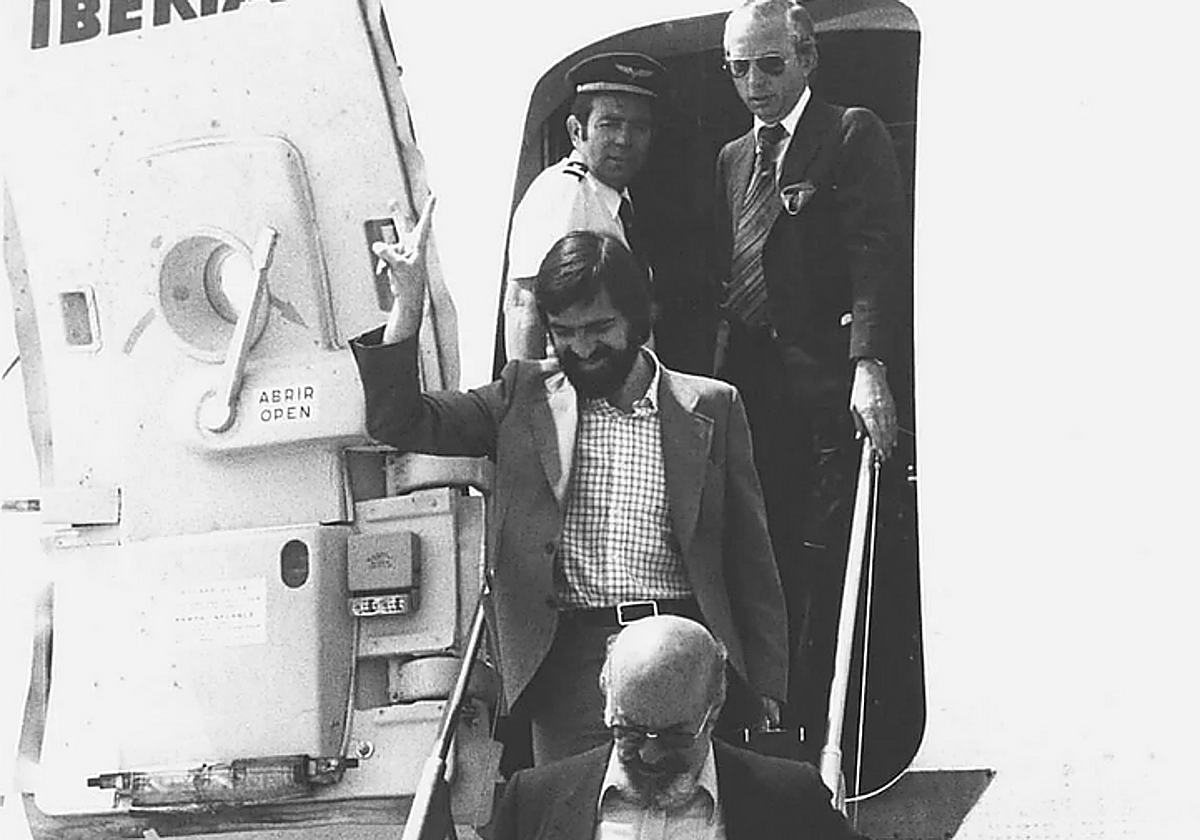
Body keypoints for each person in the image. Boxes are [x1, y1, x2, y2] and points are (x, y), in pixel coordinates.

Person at [352, 210, 786, 765]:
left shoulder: (711, 406)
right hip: (570, 669)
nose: (581, 348)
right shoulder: (522, 397)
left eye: (599, 329)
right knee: (575, 808)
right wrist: (408, 307)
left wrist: (767, 682)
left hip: (684, 653)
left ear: (638, 319)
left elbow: (751, 556)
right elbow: (398, 421)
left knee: (684, 807)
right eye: (564, 333)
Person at [713, 0, 908, 746]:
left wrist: (870, 366)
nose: (754, 84)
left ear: (806, 60)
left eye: (770, 65)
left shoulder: (850, 133)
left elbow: (874, 254)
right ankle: (772, 722)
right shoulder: (732, 158)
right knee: (761, 556)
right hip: (753, 391)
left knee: (829, 553)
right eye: (738, 69)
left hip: (829, 387)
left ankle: (835, 728)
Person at [491, 615, 863, 840]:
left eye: (674, 737)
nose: (650, 754)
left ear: (714, 708)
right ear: (606, 700)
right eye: (630, 732)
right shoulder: (534, 801)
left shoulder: (790, 799)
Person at [504, 51, 666, 360]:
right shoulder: (563, 192)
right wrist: (528, 388)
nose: (624, 139)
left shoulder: (611, 198)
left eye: (639, 127)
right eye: (609, 124)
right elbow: (525, 305)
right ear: (577, 132)